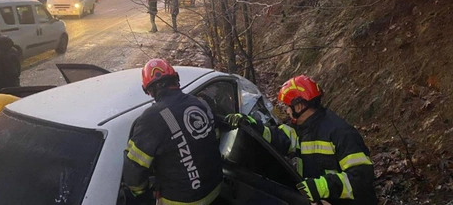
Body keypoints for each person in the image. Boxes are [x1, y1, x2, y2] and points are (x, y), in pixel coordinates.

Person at [225, 75, 378, 205]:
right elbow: (279, 137)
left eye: (288, 106)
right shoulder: (301, 127)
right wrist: (252, 125)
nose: (287, 110)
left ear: (298, 106)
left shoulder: (340, 133)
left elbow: (362, 177)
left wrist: (322, 186)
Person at [123, 58, 223, 204]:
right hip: (215, 189)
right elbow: (214, 139)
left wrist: (142, 192)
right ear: (176, 80)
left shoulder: (152, 118)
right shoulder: (200, 103)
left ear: (149, 91)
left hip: (181, 200)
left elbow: (134, 170)